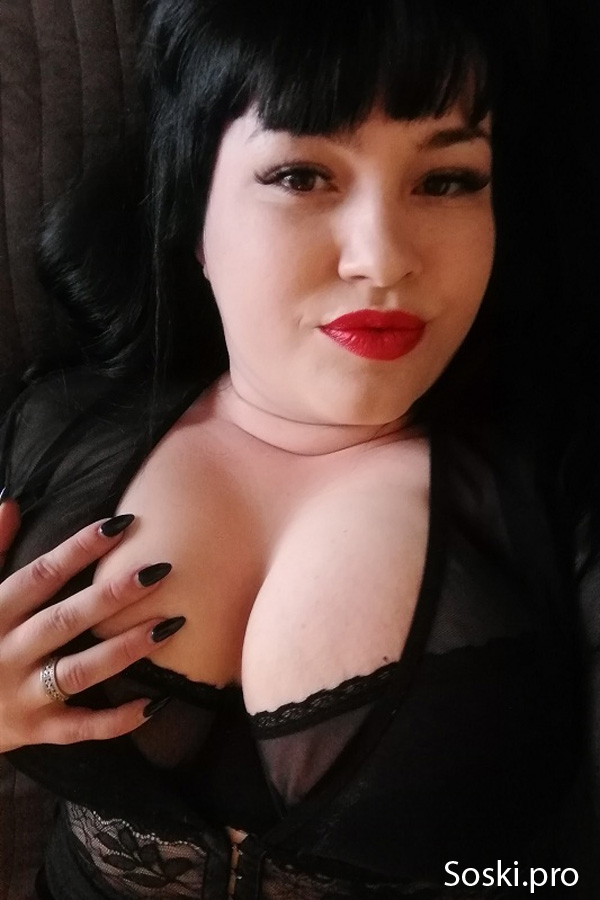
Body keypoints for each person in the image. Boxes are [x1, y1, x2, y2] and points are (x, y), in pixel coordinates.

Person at [1, 0, 599, 897]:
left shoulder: (558, 487)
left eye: (446, 181)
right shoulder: (51, 426)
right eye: (301, 175)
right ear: (191, 210)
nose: (382, 259)